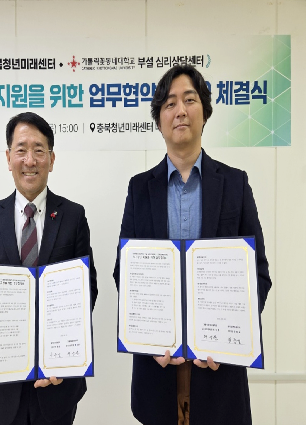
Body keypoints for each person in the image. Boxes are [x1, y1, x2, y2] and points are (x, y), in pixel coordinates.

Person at [113, 65, 272, 425]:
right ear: (159, 120)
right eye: (170, 103)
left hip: (219, 374)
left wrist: (231, 336)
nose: (180, 111)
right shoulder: (140, 189)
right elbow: (127, 273)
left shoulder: (234, 184)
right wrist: (148, 339)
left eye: (189, 100)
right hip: (157, 373)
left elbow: (258, 274)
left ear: (205, 112)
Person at [0, 112, 98, 425]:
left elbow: (86, 288)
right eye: (21, 150)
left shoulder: (73, 216)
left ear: (51, 159)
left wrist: (67, 350)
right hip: (1, 383)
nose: (30, 160)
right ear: (8, 157)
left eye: (39, 150)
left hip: (56, 383)